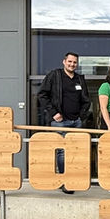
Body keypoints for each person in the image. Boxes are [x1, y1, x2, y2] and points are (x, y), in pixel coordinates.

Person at [37, 52, 90, 194]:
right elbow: (42, 95)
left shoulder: (79, 79)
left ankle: (73, 180)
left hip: (76, 122)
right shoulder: (55, 76)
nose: (72, 64)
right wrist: (53, 113)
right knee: (62, 151)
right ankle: (64, 181)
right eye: (70, 61)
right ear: (64, 62)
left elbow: (86, 100)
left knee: (76, 151)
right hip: (60, 122)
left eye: (74, 62)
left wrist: (81, 116)